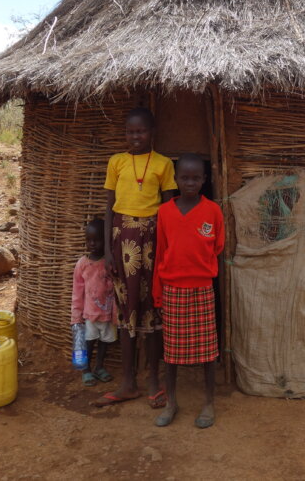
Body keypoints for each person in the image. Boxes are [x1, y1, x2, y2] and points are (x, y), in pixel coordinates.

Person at [95, 107, 177, 408]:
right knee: (126, 309)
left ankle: (154, 379)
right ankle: (128, 381)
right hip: (122, 240)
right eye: (130, 132)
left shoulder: (163, 164)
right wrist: (107, 251)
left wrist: (167, 250)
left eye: (140, 131)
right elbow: (109, 209)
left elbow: (169, 212)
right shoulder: (116, 162)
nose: (135, 136)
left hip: (153, 240)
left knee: (153, 308)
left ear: (151, 132)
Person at [152, 153, 224, 428]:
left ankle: (208, 402)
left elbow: (217, 247)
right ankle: (171, 402)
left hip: (202, 289)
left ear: (204, 180)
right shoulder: (166, 212)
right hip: (172, 290)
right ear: (176, 179)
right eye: (184, 177)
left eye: (196, 178)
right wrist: (158, 293)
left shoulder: (212, 211)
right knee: (171, 354)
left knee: (208, 352)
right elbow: (160, 253)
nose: (190, 182)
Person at [71, 218, 116, 386]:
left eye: (97, 240)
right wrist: (76, 315)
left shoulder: (109, 263)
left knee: (105, 342)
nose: (92, 244)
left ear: (105, 241)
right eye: (88, 240)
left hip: (108, 314)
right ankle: (86, 369)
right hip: (89, 315)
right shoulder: (82, 265)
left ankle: (99, 366)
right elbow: (77, 292)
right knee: (88, 343)